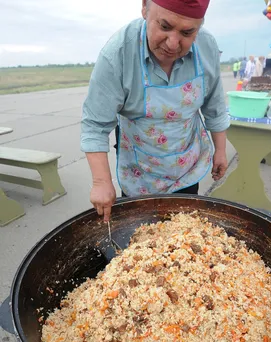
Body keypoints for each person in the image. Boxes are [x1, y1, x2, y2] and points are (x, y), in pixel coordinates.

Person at [81, 0, 230, 222]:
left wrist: (220, 150)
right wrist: (102, 182)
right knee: (139, 230)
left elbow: (214, 105)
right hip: (139, 166)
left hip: (186, 163)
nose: (172, 44)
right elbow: (95, 125)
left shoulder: (206, 46)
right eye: (164, 26)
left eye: (187, 33)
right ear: (144, 8)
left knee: (185, 229)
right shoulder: (118, 53)